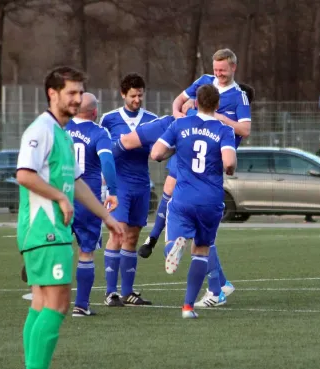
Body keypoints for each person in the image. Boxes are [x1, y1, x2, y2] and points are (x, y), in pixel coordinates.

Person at [17, 66, 124, 369]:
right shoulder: (41, 130)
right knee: (59, 305)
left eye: (80, 92)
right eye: (71, 93)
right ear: (53, 94)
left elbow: (77, 183)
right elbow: (24, 174)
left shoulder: (62, 134)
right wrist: (60, 198)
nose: (77, 99)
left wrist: (107, 217)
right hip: (44, 229)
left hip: (54, 229)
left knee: (41, 304)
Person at [150, 84, 237, 319]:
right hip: (211, 200)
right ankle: (188, 307)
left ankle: (174, 247)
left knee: (173, 240)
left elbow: (156, 153)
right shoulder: (224, 130)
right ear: (217, 105)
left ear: (196, 103)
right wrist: (228, 168)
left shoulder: (179, 125)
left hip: (183, 197)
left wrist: (176, 149)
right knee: (201, 251)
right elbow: (228, 162)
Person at [98, 73, 158, 306]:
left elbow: (158, 150)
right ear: (123, 94)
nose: (137, 99)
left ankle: (128, 292)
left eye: (140, 95)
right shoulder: (109, 119)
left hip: (142, 184)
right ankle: (110, 292)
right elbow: (102, 149)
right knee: (117, 233)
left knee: (132, 237)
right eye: (133, 95)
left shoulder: (152, 119)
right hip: (119, 186)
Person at [64, 92, 119, 317]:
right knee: (86, 252)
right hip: (88, 200)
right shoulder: (99, 132)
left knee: (58, 245)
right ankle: (81, 305)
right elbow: (107, 161)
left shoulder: (62, 129)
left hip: (61, 197)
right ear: (95, 112)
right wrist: (113, 192)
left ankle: (45, 288)